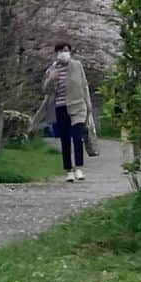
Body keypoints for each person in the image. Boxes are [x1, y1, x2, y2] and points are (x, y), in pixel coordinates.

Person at [33, 41, 94, 181]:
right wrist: (50, 79)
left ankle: (79, 168)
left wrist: (88, 103)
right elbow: (45, 90)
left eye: (66, 50)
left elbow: (84, 85)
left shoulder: (77, 66)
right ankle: (68, 171)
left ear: (70, 52)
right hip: (60, 107)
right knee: (65, 140)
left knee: (77, 137)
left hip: (78, 107)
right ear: (56, 53)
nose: (64, 53)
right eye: (61, 51)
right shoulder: (52, 69)